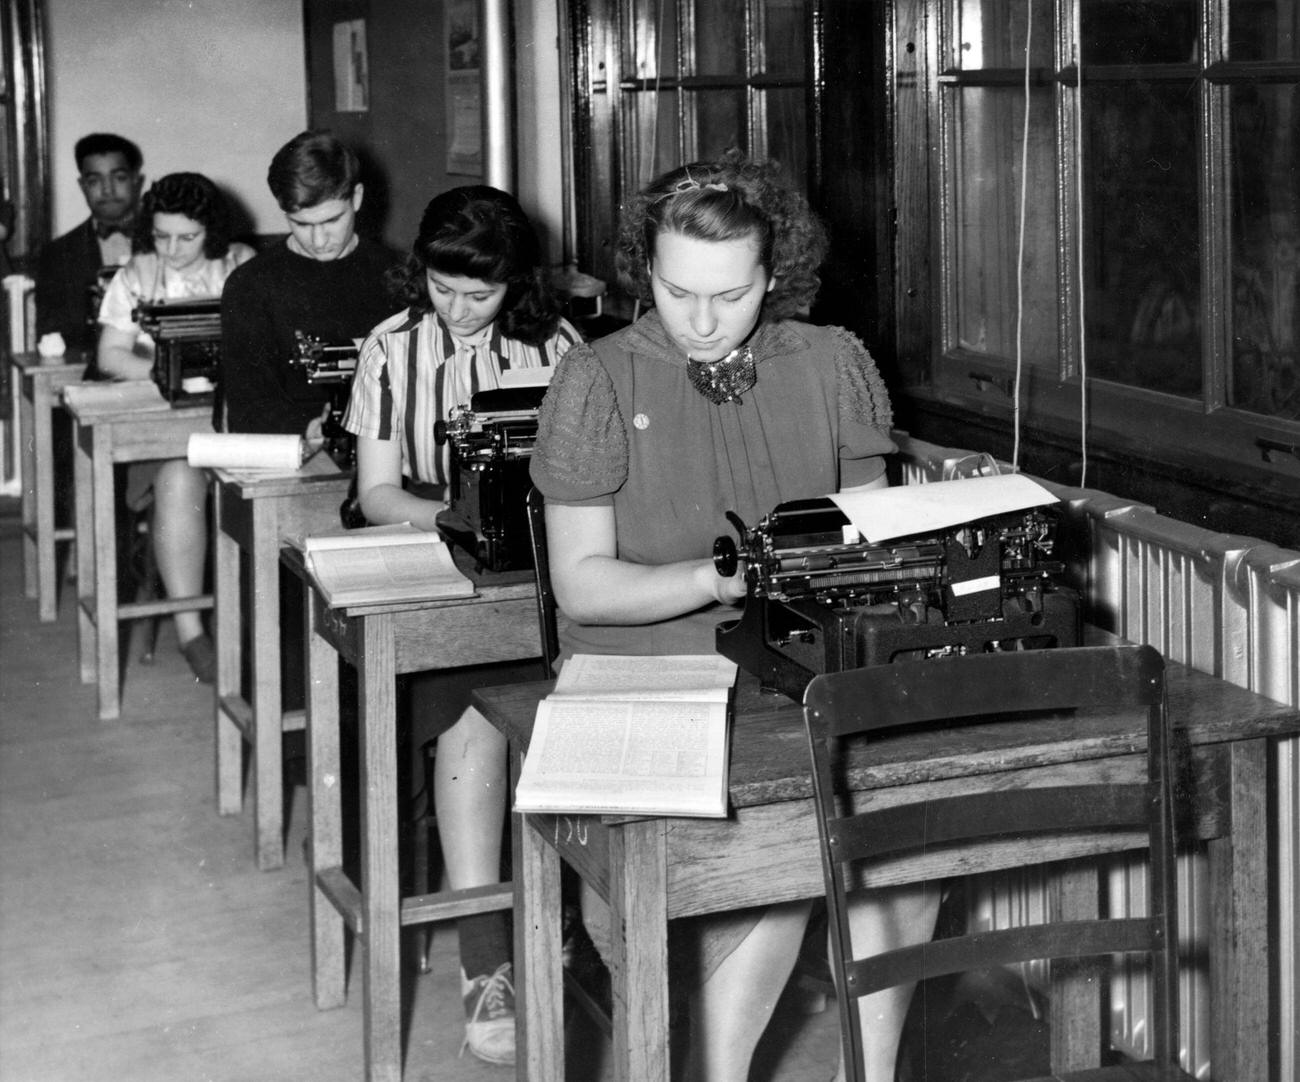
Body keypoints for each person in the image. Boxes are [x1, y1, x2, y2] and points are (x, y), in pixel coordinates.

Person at [528, 152, 937, 1082]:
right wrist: (726, 576)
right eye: (677, 293)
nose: (702, 322)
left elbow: (864, 543)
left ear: (773, 278)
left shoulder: (830, 362)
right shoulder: (596, 379)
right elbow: (583, 586)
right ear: (646, 273)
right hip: (647, 675)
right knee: (774, 883)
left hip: (797, 675)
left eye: (731, 295)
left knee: (912, 842)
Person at [343, 185, 581, 1066]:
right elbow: (375, 495)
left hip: (541, 568)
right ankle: (488, 955)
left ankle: (558, 925)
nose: (458, 309)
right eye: (443, 288)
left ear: (514, 284)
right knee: (475, 718)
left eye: (479, 295)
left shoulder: (556, 347)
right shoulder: (390, 348)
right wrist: (464, 517)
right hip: (431, 555)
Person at [96, 172, 256, 683]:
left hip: (237, 427)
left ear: (211, 230)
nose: (173, 249)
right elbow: (110, 355)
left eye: (187, 237)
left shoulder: (242, 264)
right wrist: (178, 371)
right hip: (168, 436)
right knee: (178, 478)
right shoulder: (137, 275)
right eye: (161, 236)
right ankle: (192, 633)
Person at [219, 130, 398, 438]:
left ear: (356, 198)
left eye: (331, 221)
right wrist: (316, 427)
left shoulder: (398, 274)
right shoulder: (250, 285)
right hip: (294, 446)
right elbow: (248, 407)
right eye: (301, 223)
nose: (319, 240)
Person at [36, 133, 145, 355]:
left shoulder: (168, 242)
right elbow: (52, 333)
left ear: (136, 180)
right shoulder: (56, 255)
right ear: (82, 185)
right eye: (95, 180)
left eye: (119, 177)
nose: (107, 190)